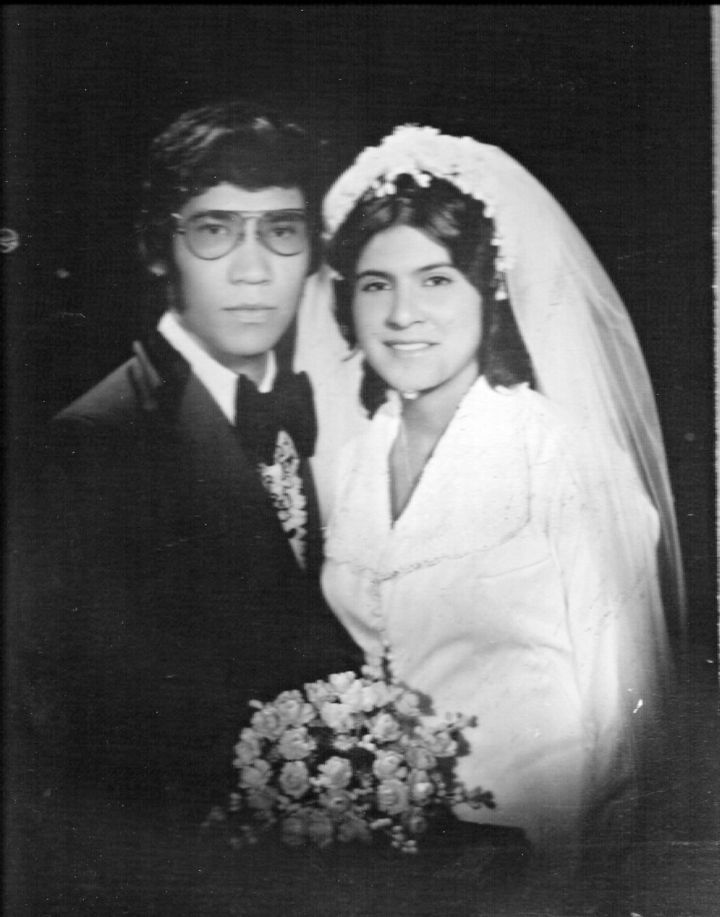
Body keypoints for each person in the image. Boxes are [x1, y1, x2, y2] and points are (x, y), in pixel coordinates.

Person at [317, 126, 685, 882]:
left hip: (540, 852)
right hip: (388, 866)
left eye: (436, 279)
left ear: (491, 289)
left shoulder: (562, 455)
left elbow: (623, 707)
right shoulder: (348, 464)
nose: (403, 314)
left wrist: (583, 879)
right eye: (376, 284)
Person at [24, 100, 364, 813]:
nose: (253, 271)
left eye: (281, 231)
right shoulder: (92, 444)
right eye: (214, 231)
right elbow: (75, 738)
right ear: (158, 249)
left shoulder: (332, 410)